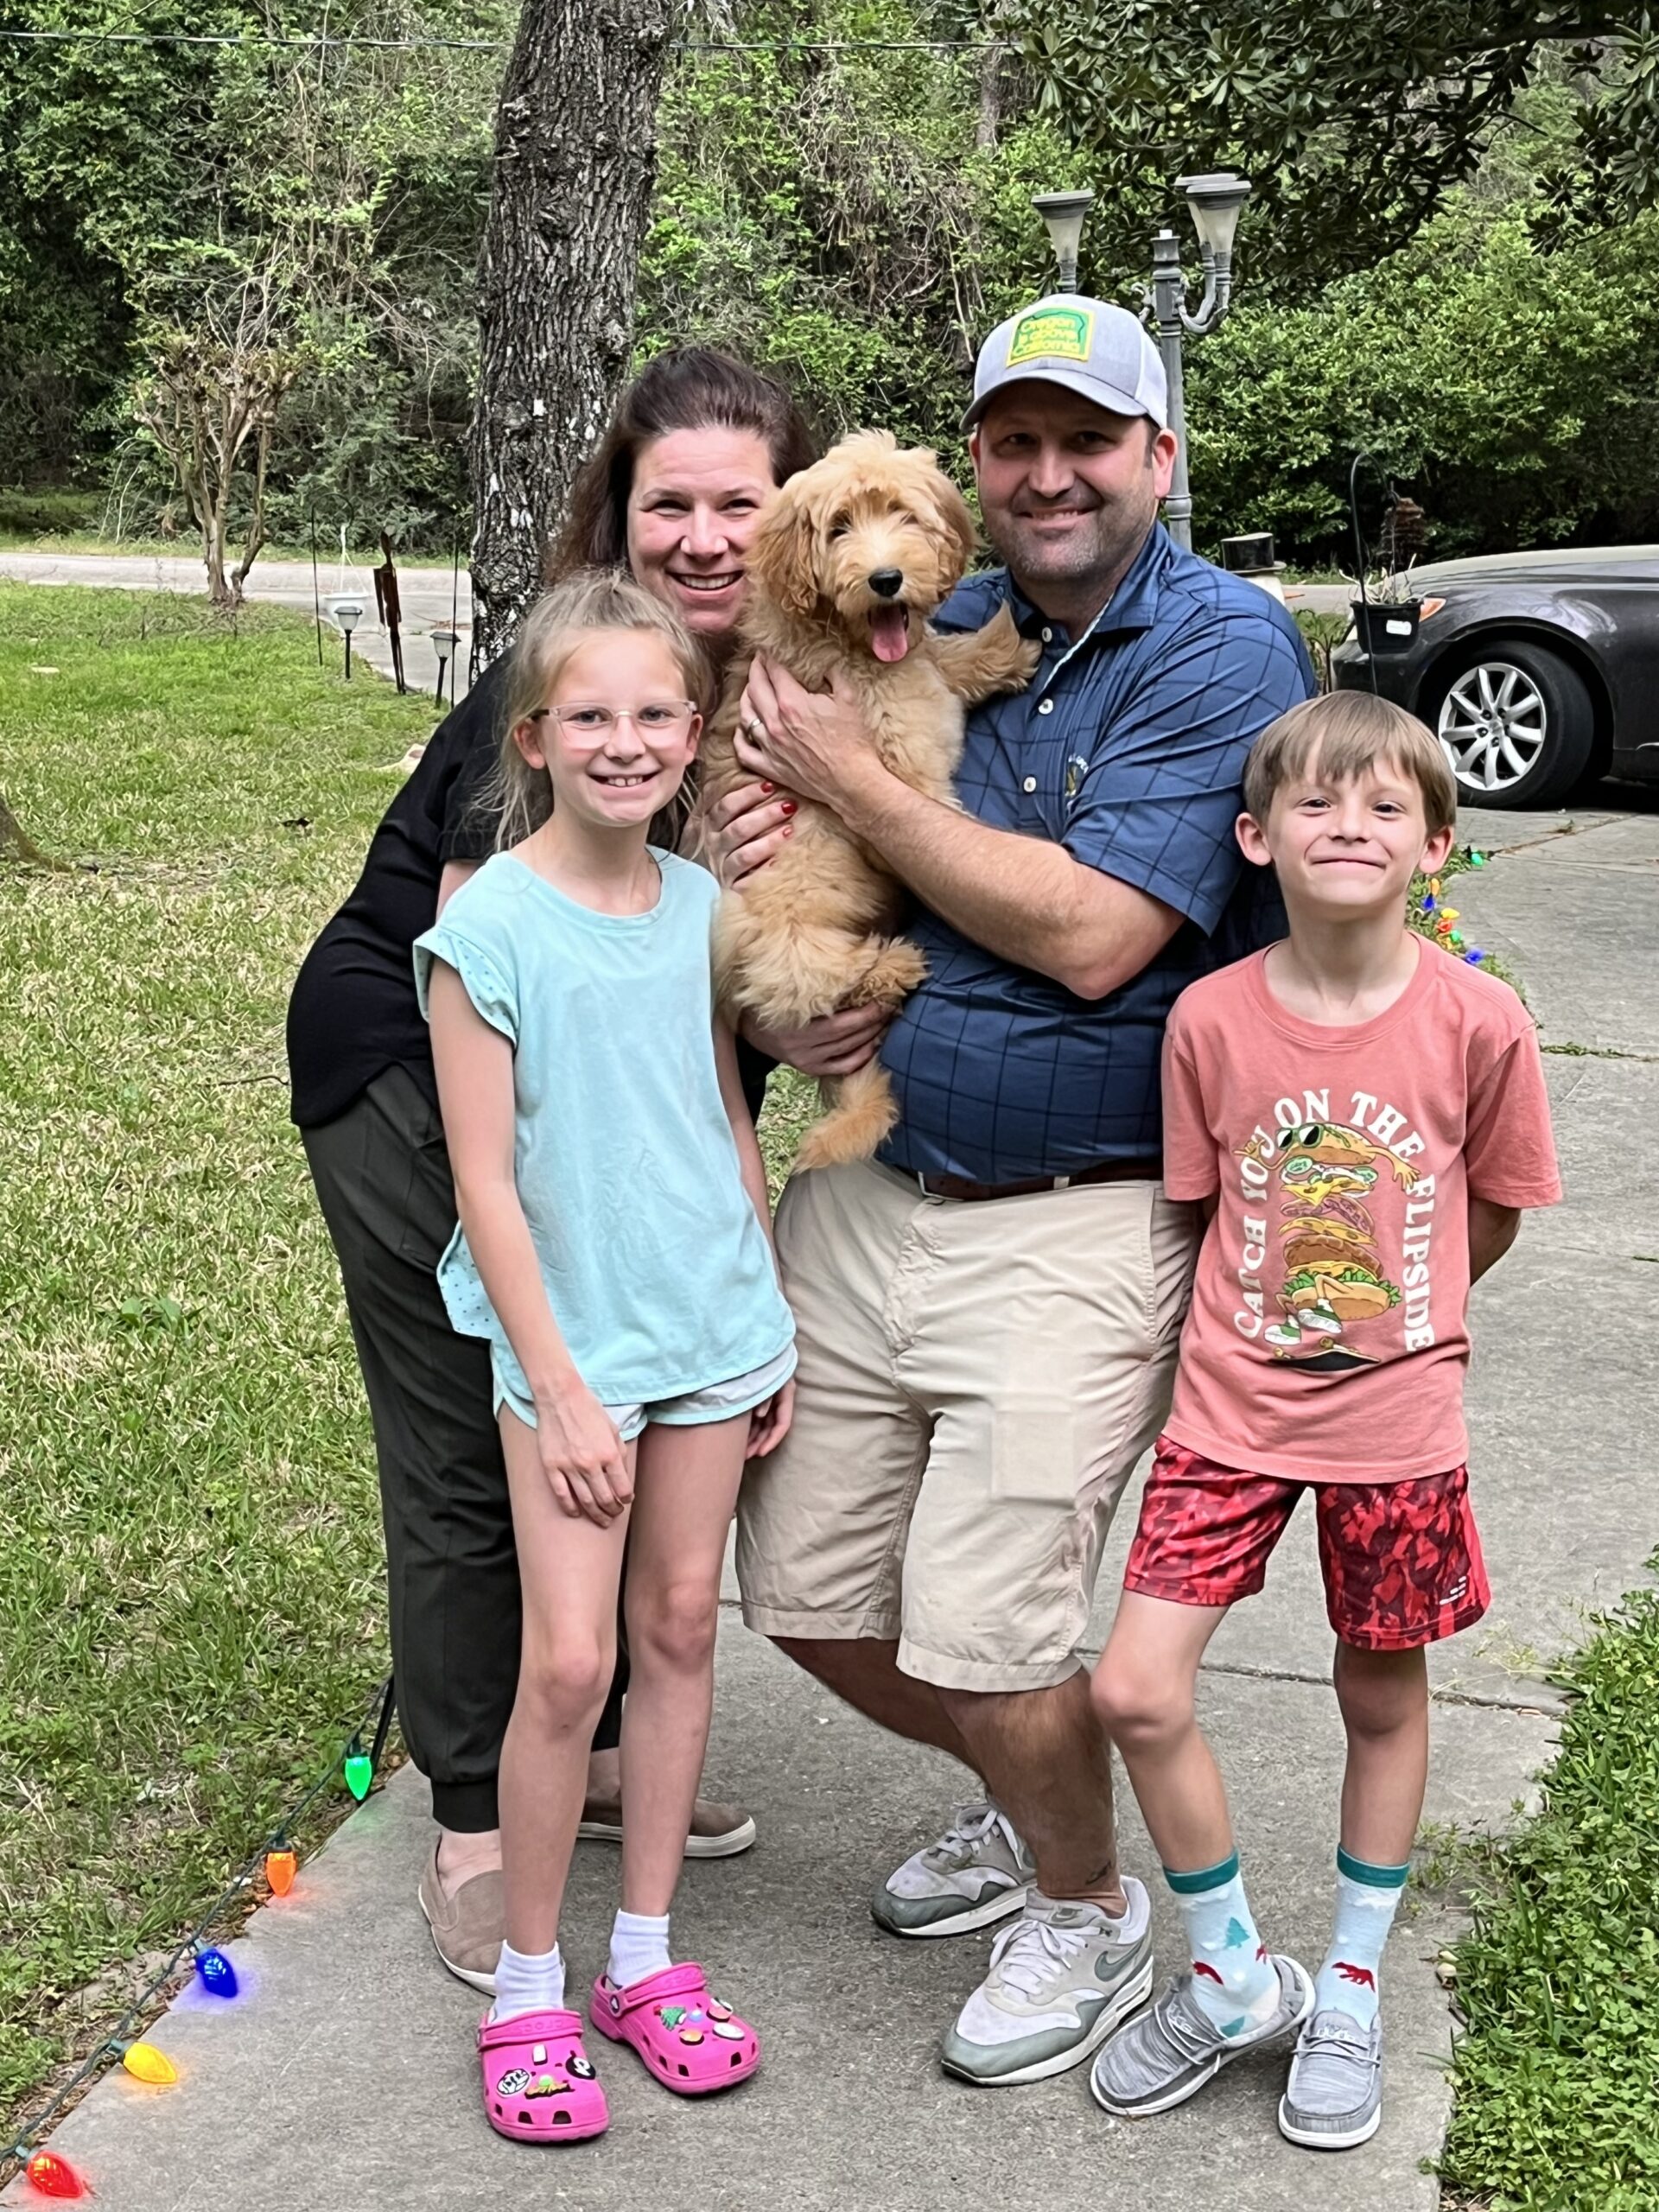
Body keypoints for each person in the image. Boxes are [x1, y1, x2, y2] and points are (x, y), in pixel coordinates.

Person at [709, 294, 1316, 2085]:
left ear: (1157, 457)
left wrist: (845, 786)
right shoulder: (940, 615)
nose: (1050, 474)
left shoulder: (1222, 652)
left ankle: (1088, 1895)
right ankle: (1016, 1789)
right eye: (1016, 442)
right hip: (879, 1166)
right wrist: (780, 857)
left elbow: (1093, 931)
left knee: (988, 1626)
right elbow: (783, 796)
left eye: (1088, 441)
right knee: (807, 1593)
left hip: (1084, 1198)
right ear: (974, 468)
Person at [286, 348, 825, 1997]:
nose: (709, 533)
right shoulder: (565, 675)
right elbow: (492, 977)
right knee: (481, 1425)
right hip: (418, 1077)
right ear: (623, 511)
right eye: (672, 502)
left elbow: (702, 1011)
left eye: (744, 501)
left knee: (604, 1492)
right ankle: (470, 1822)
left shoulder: (763, 703)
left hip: (629, 1121)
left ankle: (587, 1765)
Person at [1088, 692, 1560, 2147]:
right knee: (1136, 1690)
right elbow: (1201, 1209)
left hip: (1396, 1435)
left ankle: (1348, 1983)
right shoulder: (1208, 1020)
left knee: (1378, 1691)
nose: (1347, 827)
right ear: (1255, 836)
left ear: (1435, 844)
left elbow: (1490, 1215)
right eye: (1314, 804)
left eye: (1383, 808)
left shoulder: (1479, 1022)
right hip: (1226, 1417)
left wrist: (1397, 1318)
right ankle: (1235, 1973)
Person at [417, 569, 795, 2144]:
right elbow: (485, 1180)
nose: (627, 743)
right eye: (593, 717)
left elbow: (722, 1112)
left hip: (711, 1320)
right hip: (571, 1346)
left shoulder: (705, 910)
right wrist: (559, 1383)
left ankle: (642, 1960)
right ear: (536, 736)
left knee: (684, 1631)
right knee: (572, 1666)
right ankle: (528, 1985)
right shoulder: (485, 923)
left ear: (692, 736)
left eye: (655, 716)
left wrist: (765, 1302)